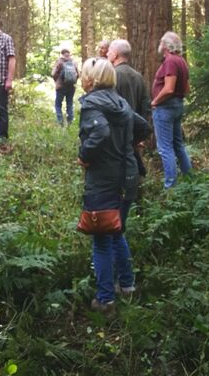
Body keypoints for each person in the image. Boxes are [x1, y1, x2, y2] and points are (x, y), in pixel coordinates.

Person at [78, 57, 143, 313]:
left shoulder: (92, 103)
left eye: (84, 74)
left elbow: (101, 132)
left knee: (102, 240)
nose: (82, 79)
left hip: (105, 180)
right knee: (116, 232)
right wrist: (127, 144)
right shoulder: (121, 102)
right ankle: (127, 286)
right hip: (127, 176)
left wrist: (85, 154)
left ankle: (105, 299)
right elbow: (144, 126)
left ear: (92, 79)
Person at [151, 31, 192, 188]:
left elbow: (168, 89)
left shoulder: (170, 62)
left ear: (167, 46)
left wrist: (155, 101)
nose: (159, 44)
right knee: (178, 145)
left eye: (161, 42)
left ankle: (171, 188)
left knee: (165, 148)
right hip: (177, 106)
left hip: (165, 108)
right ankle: (190, 180)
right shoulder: (181, 61)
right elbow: (187, 89)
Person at [108, 38, 152, 175]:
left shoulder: (112, 75)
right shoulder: (138, 76)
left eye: (109, 51)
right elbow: (146, 106)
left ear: (115, 54)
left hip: (118, 131)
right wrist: (140, 135)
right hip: (134, 130)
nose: (107, 54)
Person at [51, 48, 79, 125]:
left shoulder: (59, 62)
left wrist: (56, 80)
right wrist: (73, 81)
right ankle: (70, 122)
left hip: (60, 86)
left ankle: (60, 122)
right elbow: (78, 74)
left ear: (62, 53)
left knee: (58, 104)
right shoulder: (73, 62)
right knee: (69, 104)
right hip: (71, 86)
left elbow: (53, 74)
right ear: (68, 53)